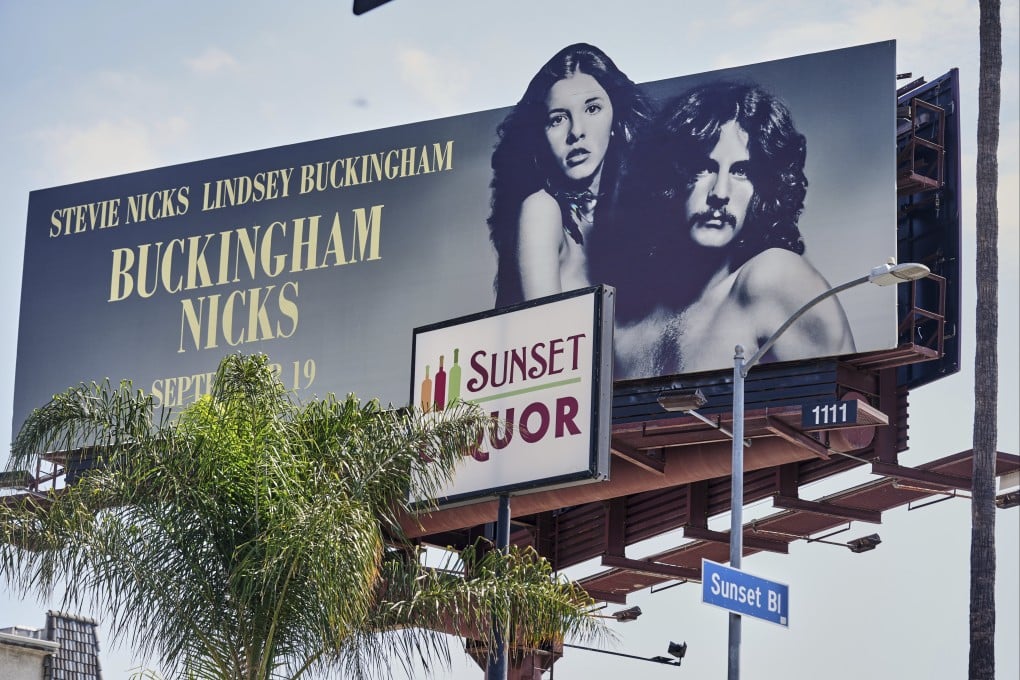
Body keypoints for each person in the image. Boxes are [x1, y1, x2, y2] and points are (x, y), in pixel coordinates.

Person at [612, 80, 855, 376]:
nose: (720, 193)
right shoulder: (623, 322)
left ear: (764, 186)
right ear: (667, 177)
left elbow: (844, 412)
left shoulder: (773, 278)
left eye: (741, 171)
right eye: (703, 168)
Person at [488, 43, 653, 307]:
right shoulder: (541, 210)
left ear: (616, 119)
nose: (576, 131)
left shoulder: (633, 215)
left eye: (592, 109)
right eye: (557, 119)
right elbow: (543, 336)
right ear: (540, 136)